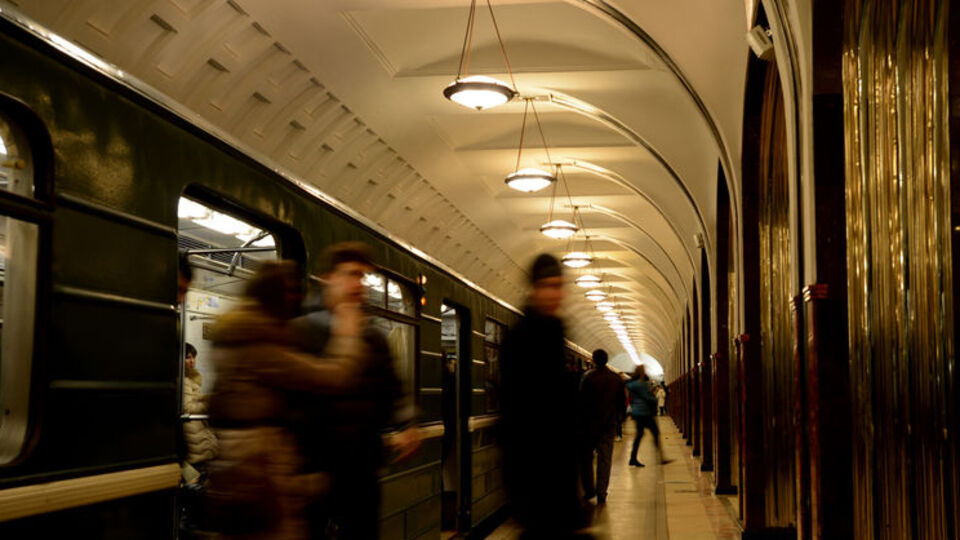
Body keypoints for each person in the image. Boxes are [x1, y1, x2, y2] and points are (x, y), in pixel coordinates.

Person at [205, 260, 366, 540]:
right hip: (261, 470)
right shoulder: (258, 342)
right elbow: (333, 377)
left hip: (235, 465)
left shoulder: (232, 333)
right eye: (291, 294)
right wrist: (348, 334)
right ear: (276, 298)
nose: (295, 302)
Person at [288, 242, 420, 540]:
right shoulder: (301, 332)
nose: (358, 284)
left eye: (362, 276)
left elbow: (391, 390)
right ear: (328, 278)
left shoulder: (374, 337)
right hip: (314, 471)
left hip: (362, 472)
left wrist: (406, 424)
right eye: (350, 274)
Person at [500, 254, 589, 539]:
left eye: (559, 286)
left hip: (560, 473)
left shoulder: (556, 332)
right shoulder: (519, 338)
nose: (555, 294)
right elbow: (514, 414)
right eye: (548, 286)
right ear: (534, 288)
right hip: (532, 473)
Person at [578, 349, 625, 505]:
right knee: (605, 460)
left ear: (593, 360)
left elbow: (581, 402)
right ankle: (601, 493)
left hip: (589, 425)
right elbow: (621, 403)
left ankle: (589, 490)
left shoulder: (587, 378)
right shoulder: (616, 379)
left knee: (586, 458)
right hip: (608, 425)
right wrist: (617, 418)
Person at [626, 365, 672, 467]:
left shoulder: (631, 384)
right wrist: (654, 399)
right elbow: (647, 397)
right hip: (645, 413)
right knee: (655, 433)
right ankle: (661, 457)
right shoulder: (641, 384)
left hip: (636, 413)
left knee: (639, 435)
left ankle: (633, 458)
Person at [182, 342, 218, 465]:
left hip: (198, 426)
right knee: (199, 463)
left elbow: (194, 399)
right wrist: (208, 405)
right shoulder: (184, 380)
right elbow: (186, 407)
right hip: (192, 427)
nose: (192, 361)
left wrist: (207, 398)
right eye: (188, 357)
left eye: (194, 357)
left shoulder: (192, 378)